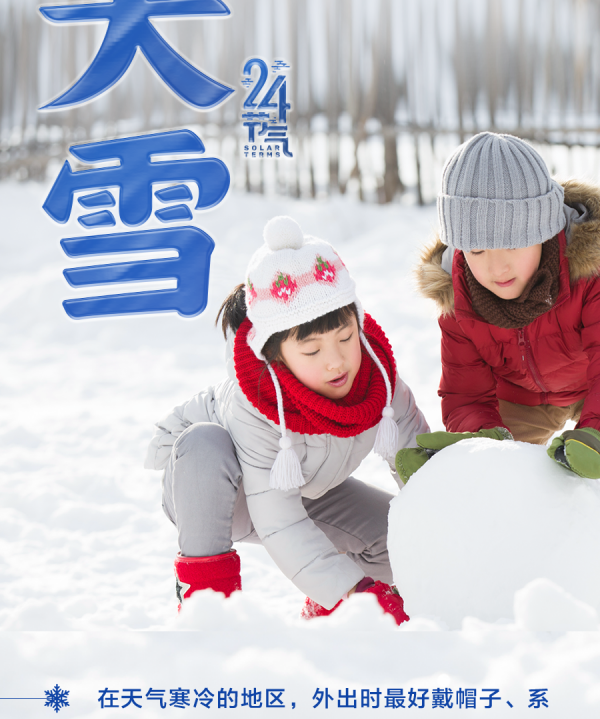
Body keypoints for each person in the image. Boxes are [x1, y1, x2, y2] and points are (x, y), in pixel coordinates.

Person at [145, 215, 429, 622]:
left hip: (307, 485)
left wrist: (447, 527)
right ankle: (207, 606)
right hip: (220, 491)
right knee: (204, 443)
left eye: (346, 338)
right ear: (275, 354)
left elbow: (418, 466)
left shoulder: (378, 381)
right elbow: (281, 523)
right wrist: (350, 592)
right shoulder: (254, 401)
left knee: (398, 539)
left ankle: (326, 615)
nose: (335, 362)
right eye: (312, 352)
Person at [396, 131, 600, 484]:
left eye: (515, 245)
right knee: (493, 478)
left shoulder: (589, 273)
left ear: (546, 231)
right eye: (476, 250)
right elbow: (466, 392)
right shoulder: (459, 293)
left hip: (591, 383)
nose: (496, 268)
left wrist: (595, 432)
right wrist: (480, 439)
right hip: (524, 399)